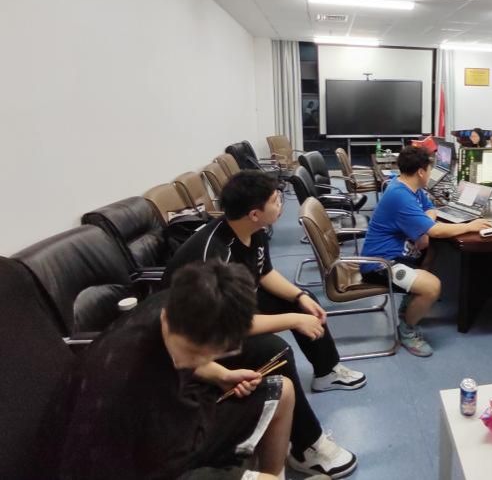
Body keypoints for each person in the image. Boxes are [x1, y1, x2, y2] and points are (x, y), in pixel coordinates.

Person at [166, 171, 360, 478]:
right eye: (274, 200)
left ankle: (327, 371)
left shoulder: (253, 229)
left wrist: (299, 297)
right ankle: (307, 447)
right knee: (275, 351)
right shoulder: (213, 255)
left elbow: (264, 273)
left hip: (231, 311)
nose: (280, 202)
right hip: (197, 337)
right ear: (255, 213)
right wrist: (294, 319)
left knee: (303, 300)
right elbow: (225, 325)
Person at [61, 260, 295, 480]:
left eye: (210, 354)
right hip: (152, 466)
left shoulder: (180, 302)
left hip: (181, 428)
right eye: (192, 352)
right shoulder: (116, 383)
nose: (198, 361)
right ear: (166, 318)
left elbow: (190, 364)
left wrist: (221, 376)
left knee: (283, 391)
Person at [360, 146, 491, 356]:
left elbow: (430, 208)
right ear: (421, 172)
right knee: (432, 287)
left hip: (398, 253)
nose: (431, 174)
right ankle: (407, 330)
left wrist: (424, 226)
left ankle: (409, 304)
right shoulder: (399, 195)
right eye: (429, 170)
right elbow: (435, 230)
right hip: (380, 264)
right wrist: (469, 226)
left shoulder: (410, 188)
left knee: (431, 249)